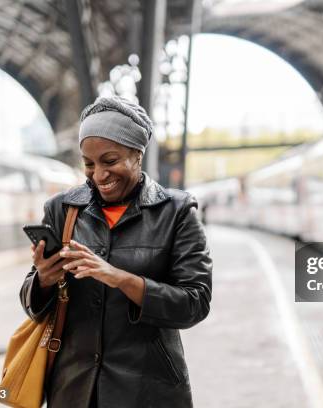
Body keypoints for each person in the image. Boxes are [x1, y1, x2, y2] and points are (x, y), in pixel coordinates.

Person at [19, 96, 212, 407]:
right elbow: (32, 305)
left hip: (149, 392)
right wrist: (42, 279)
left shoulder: (176, 211)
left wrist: (121, 278)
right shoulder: (62, 209)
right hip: (74, 392)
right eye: (89, 163)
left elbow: (195, 303)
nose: (99, 175)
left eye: (110, 161)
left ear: (137, 154)